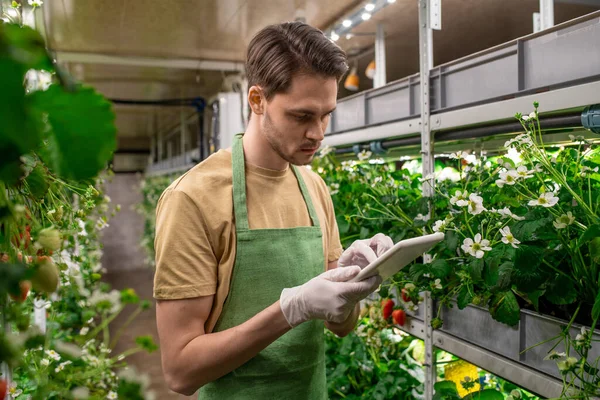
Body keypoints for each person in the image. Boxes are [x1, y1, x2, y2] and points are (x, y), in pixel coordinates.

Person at [153, 21, 394, 399]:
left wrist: (353, 282)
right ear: (257, 100)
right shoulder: (193, 199)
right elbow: (181, 372)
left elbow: (341, 327)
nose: (318, 133)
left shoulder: (313, 186)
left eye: (326, 114)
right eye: (302, 116)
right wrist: (291, 309)